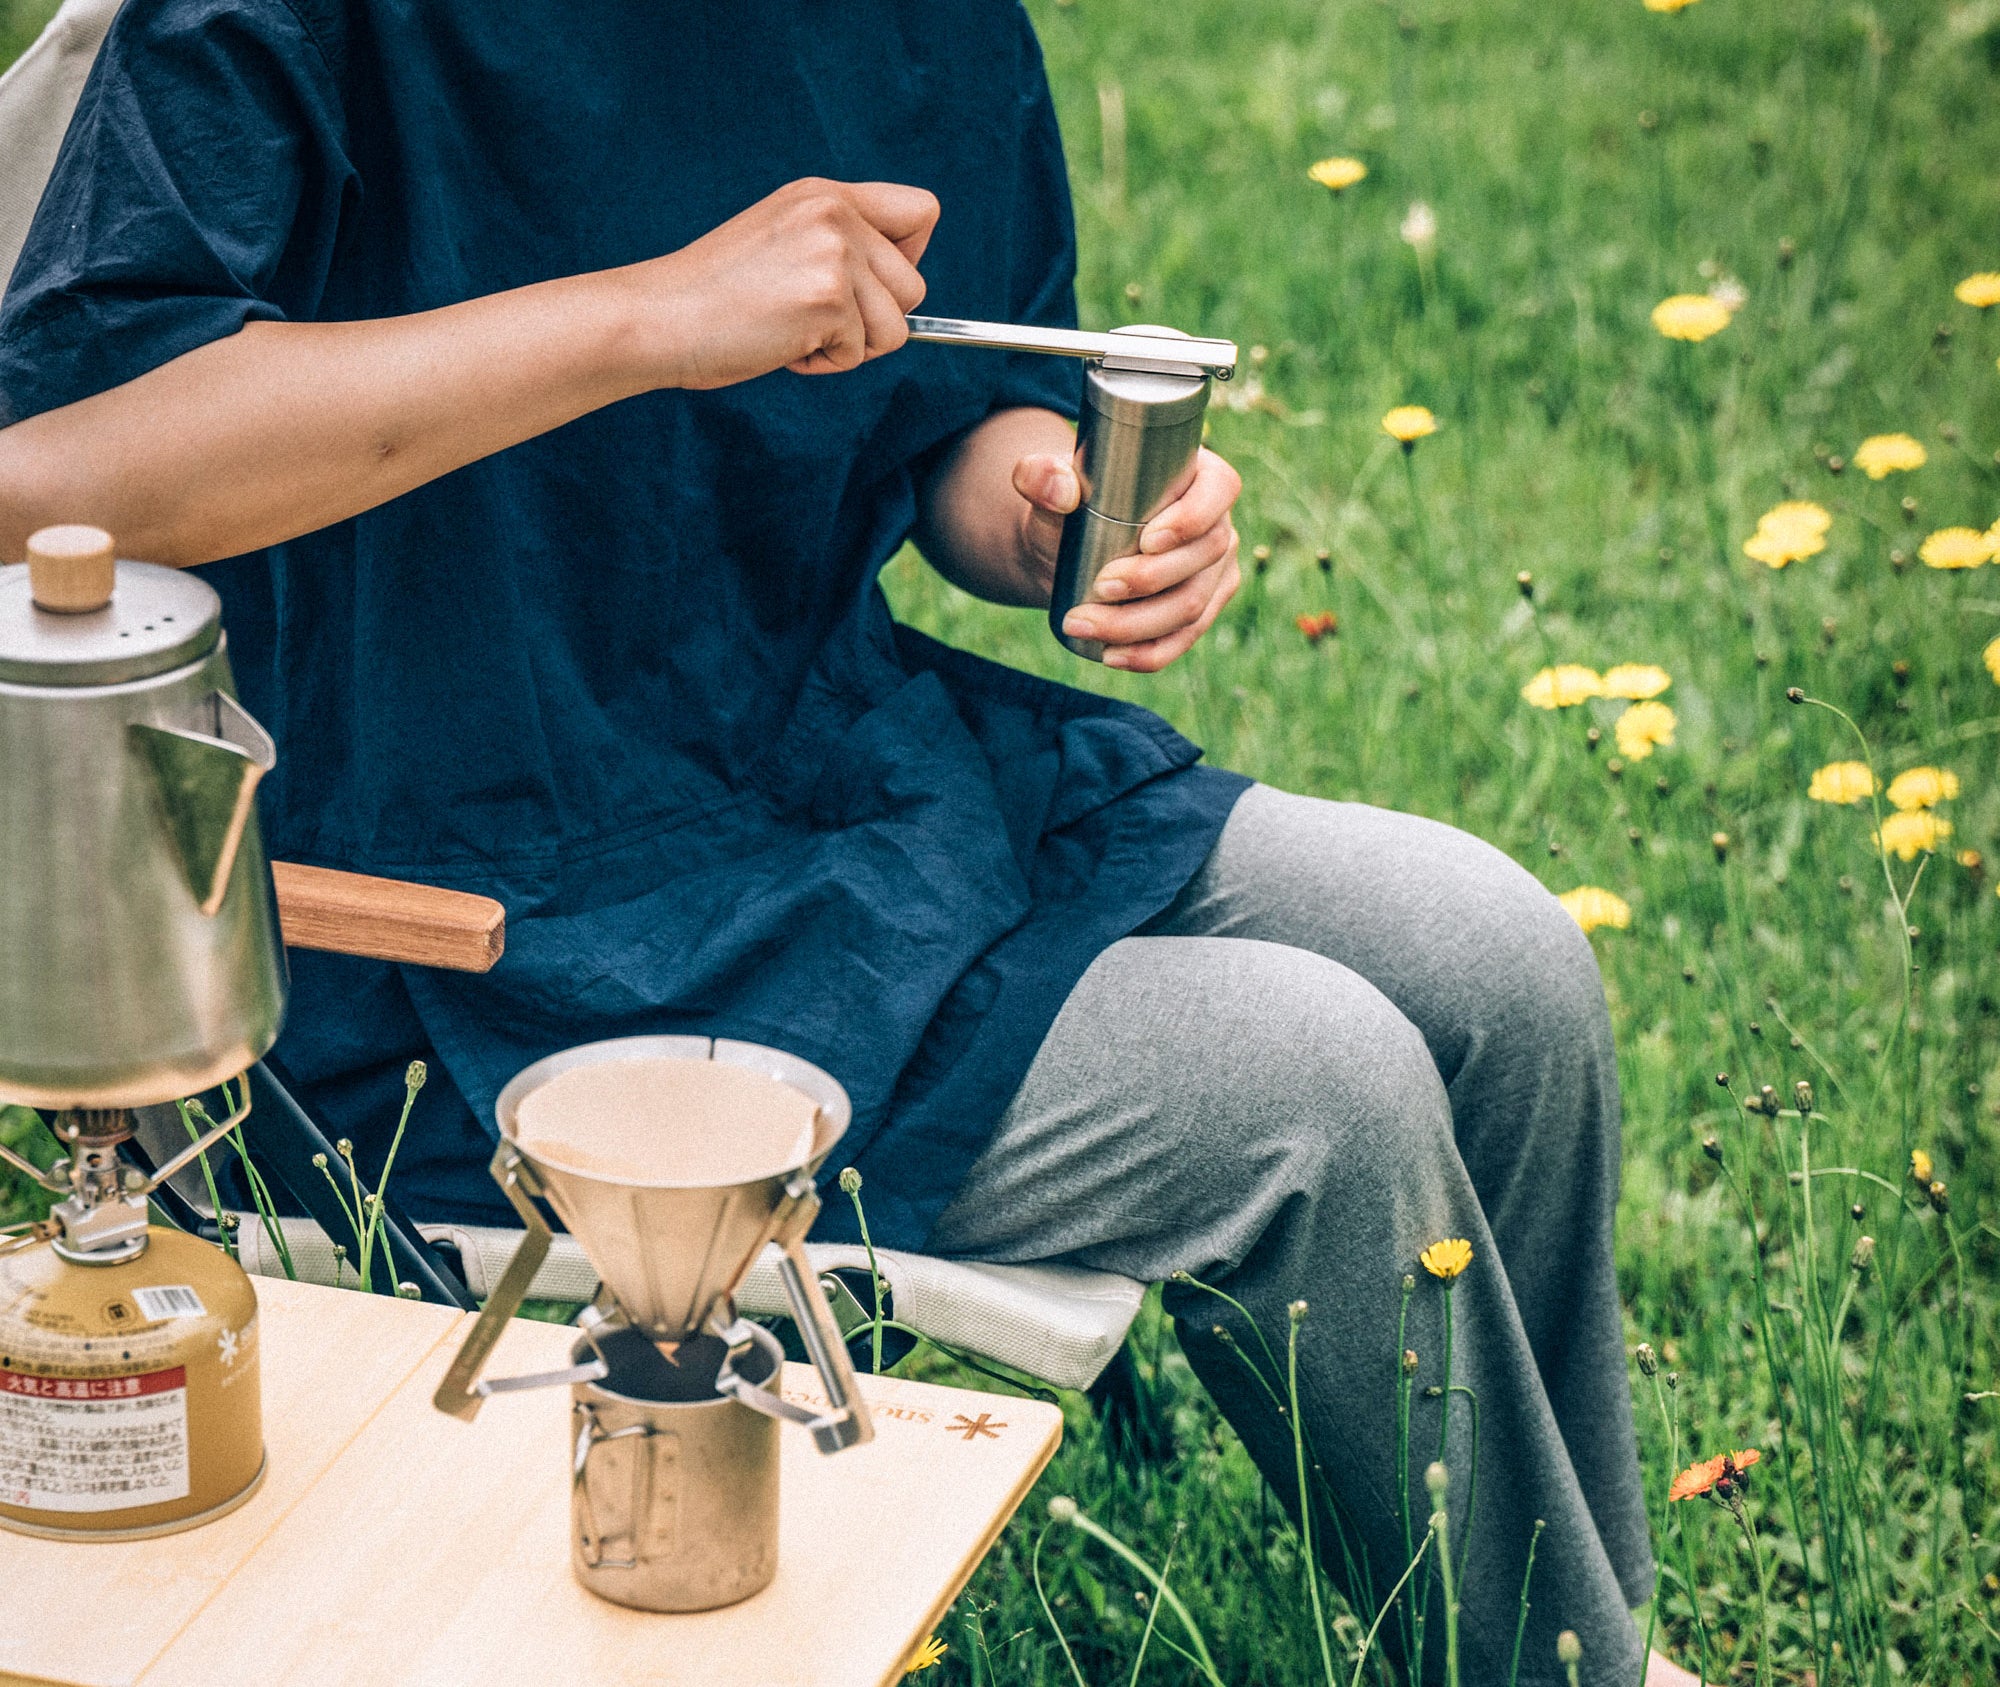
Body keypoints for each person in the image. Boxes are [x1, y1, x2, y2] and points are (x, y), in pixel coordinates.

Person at [0, 3, 1687, 1681]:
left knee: (1495, 954)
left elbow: (952, 410)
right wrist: (656, 314)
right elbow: (65, 468)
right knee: (1312, 1093)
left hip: (815, 764)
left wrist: (1056, 507)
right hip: (450, 903)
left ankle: (1584, 1647)